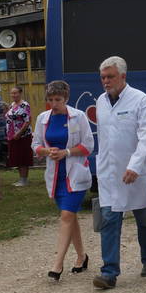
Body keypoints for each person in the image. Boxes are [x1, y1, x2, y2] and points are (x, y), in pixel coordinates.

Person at [93, 56, 146, 290]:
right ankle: (109, 272)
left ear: (123, 76)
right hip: (110, 172)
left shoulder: (140, 99)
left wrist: (135, 165)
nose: (106, 81)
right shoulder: (100, 101)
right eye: (103, 77)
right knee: (109, 219)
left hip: (134, 171)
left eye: (110, 76)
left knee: (144, 218)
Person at [32, 81, 94, 280]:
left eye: (58, 100)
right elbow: (36, 144)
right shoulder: (43, 118)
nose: (54, 104)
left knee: (66, 216)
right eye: (50, 100)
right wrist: (45, 151)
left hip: (75, 174)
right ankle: (82, 256)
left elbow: (88, 146)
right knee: (71, 217)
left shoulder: (78, 116)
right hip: (55, 175)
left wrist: (66, 152)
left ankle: (57, 265)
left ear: (66, 99)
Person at [5, 85, 33, 187]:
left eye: (15, 93)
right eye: (12, 93)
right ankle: (21, 179)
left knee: (23, 157)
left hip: (22, 135)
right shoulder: (12, 105)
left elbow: (27, 121)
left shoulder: (25, 105)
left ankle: (24, 180)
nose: (13, 95)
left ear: (20, 93)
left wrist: (19, 133)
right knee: (16, 157)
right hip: (12, 135)